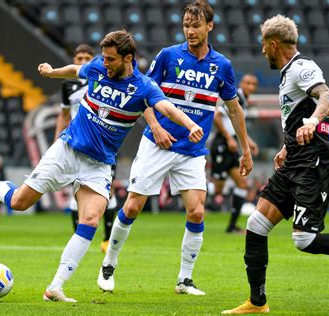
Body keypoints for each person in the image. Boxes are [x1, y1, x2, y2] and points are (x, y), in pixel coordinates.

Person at [0, 30, 204, 303]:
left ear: (128, 58)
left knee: (90, 219)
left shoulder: (144, 87)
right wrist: (52, 73)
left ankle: (55, 287)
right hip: (67, 151)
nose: (105, 63)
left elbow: (168, 108)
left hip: (98, 164)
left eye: (111, 59)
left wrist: (190, 124)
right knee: (18, 202)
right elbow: (76, 69)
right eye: (105, 58)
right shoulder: (99, 67)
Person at [97, 1, 253, 296]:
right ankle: (109, 264)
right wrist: (155, 126)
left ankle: (184, 280)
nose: (190, 31)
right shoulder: (168, 56)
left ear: (210, 26)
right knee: (132, 206)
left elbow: (234, 110)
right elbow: (141, 93)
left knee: (196, 212)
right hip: (158, 144)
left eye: (196, 25)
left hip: (192, 151)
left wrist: (245, 148)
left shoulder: (222, 66)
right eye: (186, 25)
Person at [222, 16, 329, 314]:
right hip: (294, 159)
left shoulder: (302, 68)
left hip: (314, 163)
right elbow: (299, 113)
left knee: (304, 240)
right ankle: (257, 302)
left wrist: (315, 121)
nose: (262, 51)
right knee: (256, 225)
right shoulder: (287, 73)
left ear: (273, 44)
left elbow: (327, 97)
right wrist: (285, 146)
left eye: (263, 45)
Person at [55, 43, 117, 252]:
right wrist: (57, 140)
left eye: (86, 58)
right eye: (78, 58)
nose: (82, 62)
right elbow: (64, 115)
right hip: (75, 144)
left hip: (101, 144)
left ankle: (108, 239)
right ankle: (78, 239)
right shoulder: (67, 86)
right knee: (76, 190)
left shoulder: (102, 81)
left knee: (108, 192)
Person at [211, 74, 259, 233]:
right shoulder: (235, 96)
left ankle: (231, 226)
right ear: (241, 83)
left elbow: (236, 125)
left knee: (242, 184)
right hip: (222, 144)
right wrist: (228, 138)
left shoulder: (243, 100)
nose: (250, 86)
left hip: (230, 144)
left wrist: (248, 142)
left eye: (253, 84)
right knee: (218, 189)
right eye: (247, 83)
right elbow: (217, 116)